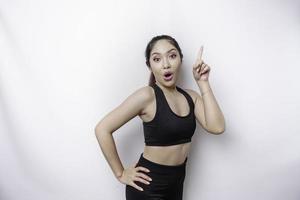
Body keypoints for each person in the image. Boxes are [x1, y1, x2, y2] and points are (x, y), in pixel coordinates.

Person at [95, 34, 225, 200]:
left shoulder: (191, 97)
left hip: (176, 185)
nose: (166, 65)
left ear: (180, 60)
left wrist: (203, 83)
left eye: (172, 56)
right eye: (157, 59)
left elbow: (217, 127)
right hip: (148, 187)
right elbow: (102, 129)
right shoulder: (147, 96)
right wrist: (120, 173)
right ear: (149, 66)